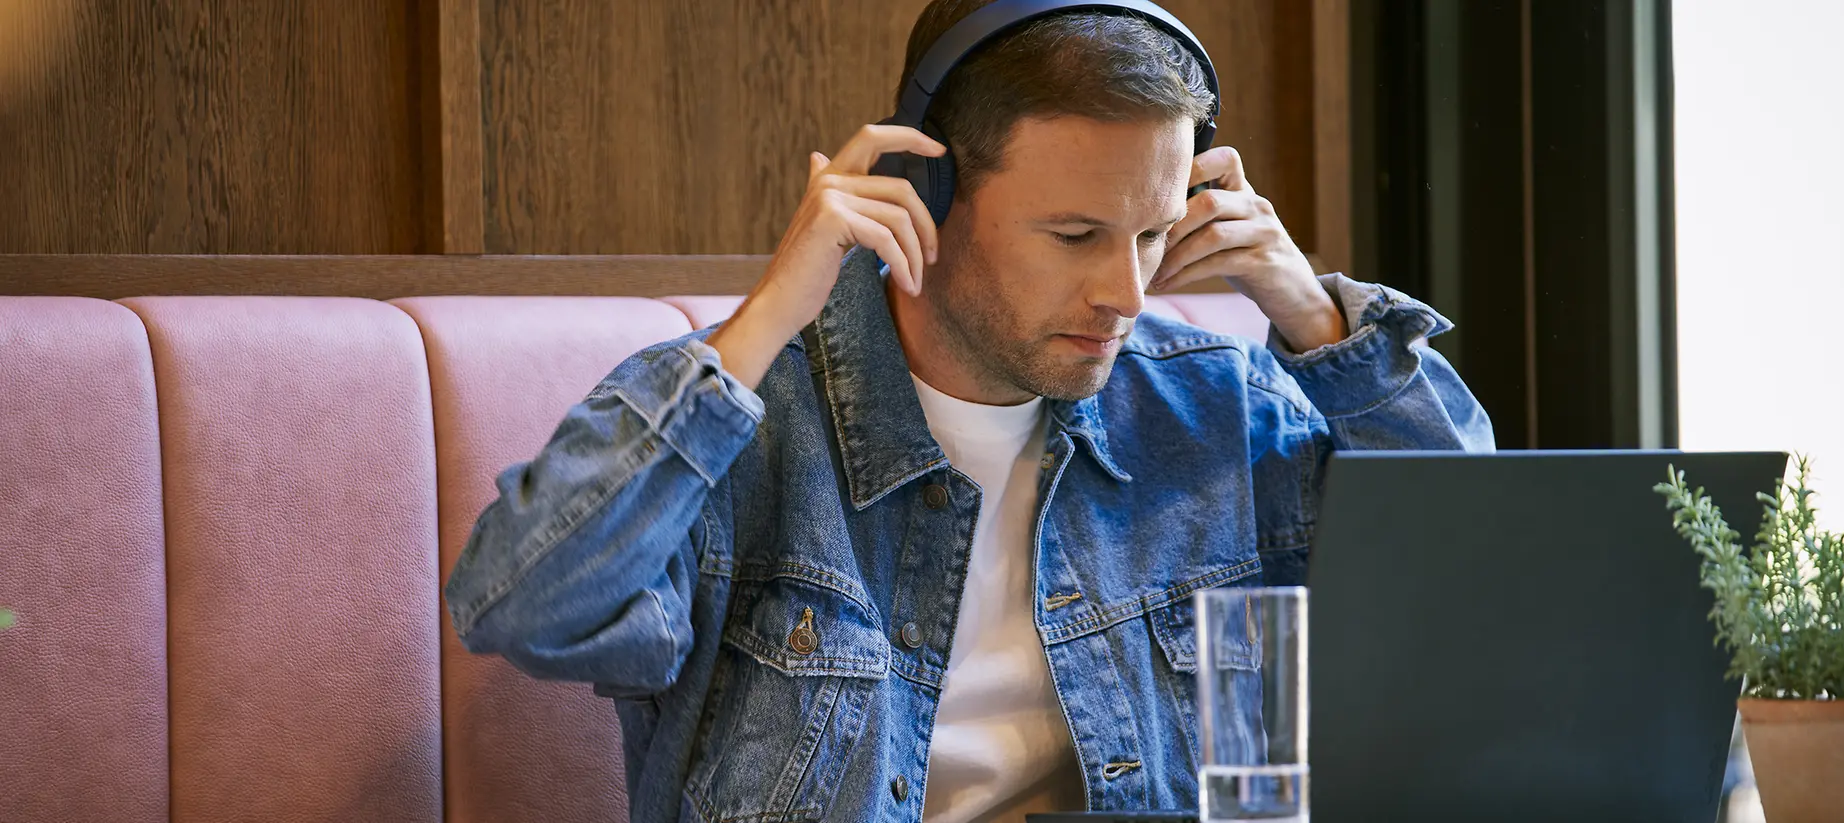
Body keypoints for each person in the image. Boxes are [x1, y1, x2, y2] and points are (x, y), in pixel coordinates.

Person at [444, 2, 1494, 821]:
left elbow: (1480, 580)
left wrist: (1318, 322)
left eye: (1150, 234)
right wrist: (765, 322)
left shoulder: (1217, 408)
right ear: (927, 194)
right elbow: (522, 604)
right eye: (1076, 236)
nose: (1127, 295)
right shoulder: (749, 429)